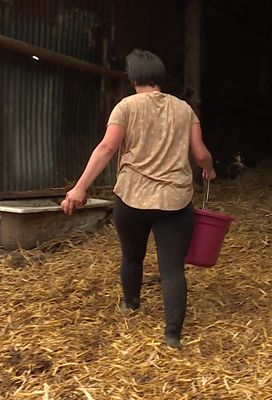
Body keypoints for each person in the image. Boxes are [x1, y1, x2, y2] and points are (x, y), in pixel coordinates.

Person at [61, 49, 216, 348]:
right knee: (172, 268)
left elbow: (106, 148)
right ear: (160, 77)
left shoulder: (125, 107)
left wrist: (80, 188)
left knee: (132, 255)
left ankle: (131, 305)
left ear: (133, 79)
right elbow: (200, 154)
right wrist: (209, 169)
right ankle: (172, 334)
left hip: (132, 197)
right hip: (175, 201)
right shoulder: (185, 110)